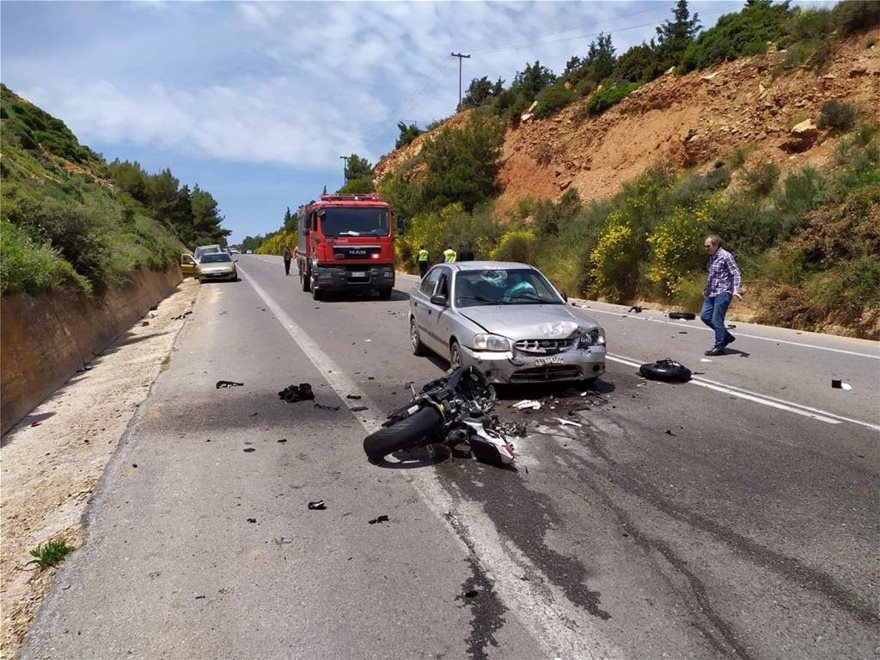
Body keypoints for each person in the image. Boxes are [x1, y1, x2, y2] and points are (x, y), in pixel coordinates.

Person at [701, 234, 743, 356]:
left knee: (717, 319)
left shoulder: (726, 256)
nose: (706, 249)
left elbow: (735, 273)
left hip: (723, 292)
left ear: (716, 245)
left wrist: (736, 290)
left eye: (708, 246)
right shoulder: (712, 258)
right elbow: (713, 276)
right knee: (705, 316)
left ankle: (719, 347)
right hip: (711, 292)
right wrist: (706, 289)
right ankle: (726, 336)